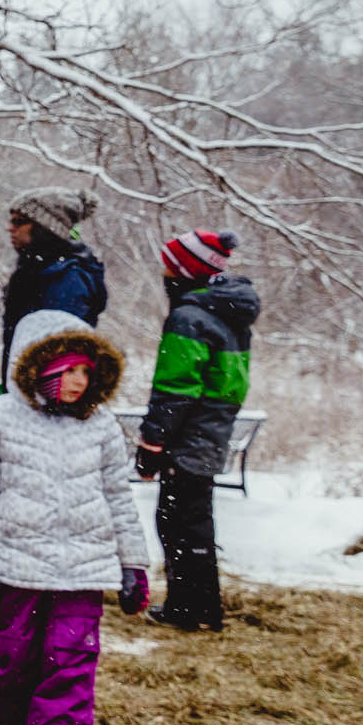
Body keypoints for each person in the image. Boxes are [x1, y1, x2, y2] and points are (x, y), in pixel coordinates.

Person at [0, 309, 149, 725]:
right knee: (16, 662)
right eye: (68, 370)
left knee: (68, 664)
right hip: (18, 566)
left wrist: (134, 564)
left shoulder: (100, 426)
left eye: (86, 370)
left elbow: (119, 497)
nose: (79, 382)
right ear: (36, 364)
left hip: (82, 571)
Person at [139, 229, 258, 633]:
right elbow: (231, 383)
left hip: (189, 432)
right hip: (212, 428)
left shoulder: (189, 318)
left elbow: (174, 388)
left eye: (168, 266)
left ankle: (188, 607)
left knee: (176, 520)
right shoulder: (229, 313)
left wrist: (152, 441)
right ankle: (201, 604)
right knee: (194, 520)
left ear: (182, 270)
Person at [0, 187, 106, 360]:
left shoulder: (67, 279)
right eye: (11, 221)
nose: (10, 228)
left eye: (19, 221)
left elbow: (59, 359)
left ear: (45, 227)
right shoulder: (33, 271)